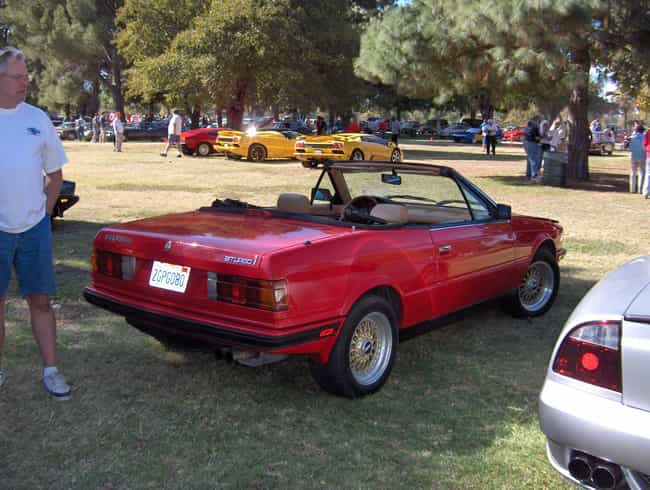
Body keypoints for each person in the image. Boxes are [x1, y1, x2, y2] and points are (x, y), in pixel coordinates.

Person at [0, 46, 71, 399]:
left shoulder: (37, 119)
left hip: (33, 230)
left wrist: (44, 212)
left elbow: (54, 174)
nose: (24, 82)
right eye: (16, 77)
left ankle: (51, 370)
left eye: (26, 76)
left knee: (40, 301)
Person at [628, 121, 645, 194]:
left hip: (633, 156)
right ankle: (640, 189)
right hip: (642, 156)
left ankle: (632, 189)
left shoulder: (631, 137)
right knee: (641, 172)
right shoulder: (644, 137)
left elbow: (628, 146)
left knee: (633, 172)